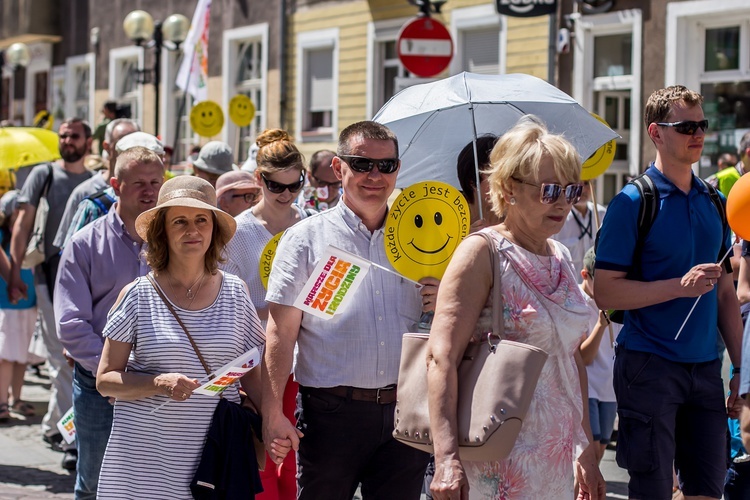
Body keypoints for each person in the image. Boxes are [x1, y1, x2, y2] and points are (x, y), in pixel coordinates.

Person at [426, 116, 604, 499]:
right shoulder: (481, 252)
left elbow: (569, 359)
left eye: (571, 191)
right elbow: (441, 358)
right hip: (497, 457)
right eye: (549, 190)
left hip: (556, 457)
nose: (563, 204)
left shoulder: (559, 254)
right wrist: (445, 458)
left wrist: (585, 445)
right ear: (507, 189)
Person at [262, 121, 437, 499]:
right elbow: (280, 332)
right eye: (362, 164)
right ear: (339, 168)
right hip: (330, 414)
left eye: (386, 166)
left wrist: (443, 302)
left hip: (404, 412)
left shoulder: (425, 240)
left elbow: (448, 330)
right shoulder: (305, 239)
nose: (375, 175)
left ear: (398, 169)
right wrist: (273, 410)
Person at [595, 85, 743, 500]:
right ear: (656, 132)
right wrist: (679, 287)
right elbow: (605, 292)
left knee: (706, 492)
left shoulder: (714, 200)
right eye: (686, 126)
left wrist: (740, 372)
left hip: (705, 370)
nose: (697, 133)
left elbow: (726, 293)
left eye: (702, 124)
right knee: (653, 491)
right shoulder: (632, 202)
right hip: (648, 367)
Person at [95, 175, 265, 499]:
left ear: (214, 228)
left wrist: (272, 424)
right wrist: (156, 382)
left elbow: (254, 374)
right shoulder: (136, 295)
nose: (193, 230)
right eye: (180, 221)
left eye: (202, 219)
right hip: (144, 461)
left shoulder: (236, 293)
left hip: (216, 456)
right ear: (162, 230)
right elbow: (104, 380)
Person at [55, 147, 164, 499]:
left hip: (159, 380)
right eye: (138, 183)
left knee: (155, 481)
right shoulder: (85, 244)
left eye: (155, 182)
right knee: (94, 482)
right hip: (98, 386)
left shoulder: (176, 242)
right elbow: (70, 324)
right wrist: (114, 371)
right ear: (115, 185)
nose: (149, 191)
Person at [223, 128, 310, 500]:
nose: (287, 195)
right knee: (263, 454)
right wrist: (272, 309)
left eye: (295, 185)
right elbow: (225, 299)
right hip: (257, 361)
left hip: (304, 359)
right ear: (259, 180)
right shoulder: (239, 233)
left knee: (295, 455)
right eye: (277, 186)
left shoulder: (308, 222)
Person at [8, 117, 95, 470]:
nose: (67, 140)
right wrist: (15, 272)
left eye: (74, 136)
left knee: (75, 358)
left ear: (88, 141)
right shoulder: (43, 175)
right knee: (62, 356)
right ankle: (66, 432)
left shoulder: (93, 182)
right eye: (63, 135)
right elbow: (22, 224)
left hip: (86, 281)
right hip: (47, 277)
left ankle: (55, 425)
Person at [53, 121, 146, 250]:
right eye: (122, 141)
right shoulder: (84, 193)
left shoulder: (149, 194)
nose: (129, 147)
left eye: (135, 141)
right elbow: (68, 250)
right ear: (107, 146)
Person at [578, 246, 619, 465]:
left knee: (600, 452)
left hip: (609, 388)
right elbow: (584, 358)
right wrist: (600, 326)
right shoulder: (576, 302)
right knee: (590, 453)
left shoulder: (618, 301)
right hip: (587, 386)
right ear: (585, 275)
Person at [0, 190, 37, 422]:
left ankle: (17, 398)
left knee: (22, 355)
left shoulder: (31, 236)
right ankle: (2, 401)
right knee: (5, 356)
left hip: (29, 303)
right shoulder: (3, 237)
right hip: (5, 306)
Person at [552, 182, 606, 283]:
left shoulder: (602, 215)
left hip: (596, 292)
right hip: (569, 293)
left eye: (586, 183)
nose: (582, 189)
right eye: (577, 184)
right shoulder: (559, 219)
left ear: (592, 185)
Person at [455, 135, 501, 232]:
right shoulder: (452, 222)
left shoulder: (518, 219)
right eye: (492, 175)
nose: (503, 181)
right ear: (472, 182)